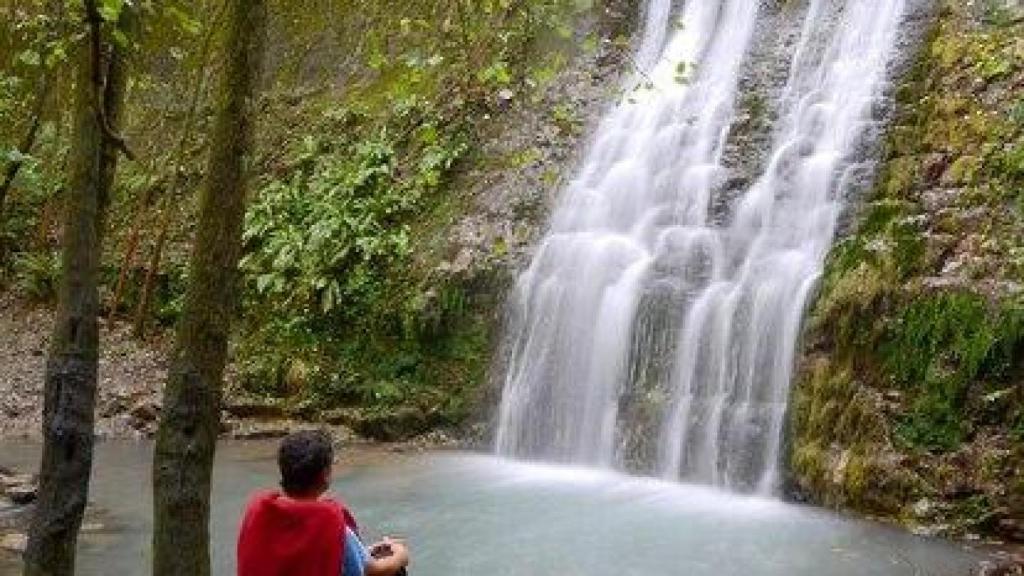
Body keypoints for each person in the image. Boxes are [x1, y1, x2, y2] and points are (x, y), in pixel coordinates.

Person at [237, 430, 410, 576]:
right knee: (396, 571)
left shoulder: (260, 513)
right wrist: (400, 555)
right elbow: (373, 570)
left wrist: (367, 551)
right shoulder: (332, 524)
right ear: (325, 474)